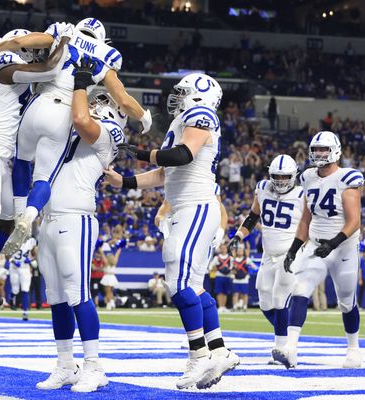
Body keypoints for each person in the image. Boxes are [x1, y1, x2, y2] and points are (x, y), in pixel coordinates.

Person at [104, 73, 239, 390]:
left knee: (177, 284)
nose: (175, 97)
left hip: (195, 208)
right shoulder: (185, 120)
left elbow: (183, 155)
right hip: (188, 208)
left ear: (197, 95)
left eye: (182, 91)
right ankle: (219, 351)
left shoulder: (200, 114)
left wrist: (139, 152)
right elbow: (166, 173)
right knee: (194, 287)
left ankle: (198, 356)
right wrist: (124, 182)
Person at [0, 19, 152, 256]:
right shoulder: (106, 55)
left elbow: (20, 42)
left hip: (39, 103)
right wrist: (145, 117)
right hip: (63, 114)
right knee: (43, 178)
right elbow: (123, 99)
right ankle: (28, 216)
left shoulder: (64, 31)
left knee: (22, 160)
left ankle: (18, 213)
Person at [34, 60, 129, 392]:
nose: (95, 102)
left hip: (77, 217)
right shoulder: (68, 131)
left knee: (77, 292)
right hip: (49, 218)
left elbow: (81, 118)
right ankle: (65, 364)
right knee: (56, 297)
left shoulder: (109, 134)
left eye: (104, 101)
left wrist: (81, 81)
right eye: (96, 99)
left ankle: (94, 366)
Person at [0, 29, 70, 308]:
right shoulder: (5, 67)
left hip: (0, 155)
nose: (34, 54)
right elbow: (49, 68)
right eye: (30, 49)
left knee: (8, 221)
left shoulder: (12, 72)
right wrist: (65, 40)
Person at [273, 130, 364, 369]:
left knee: (346, 300)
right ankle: (291, 348)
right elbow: (305, 218)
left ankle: (353, 350)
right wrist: (294, 248)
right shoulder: (308, 177)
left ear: (335, 151)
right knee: (300, 289)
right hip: (315, 244)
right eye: (316, 149)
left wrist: (333, 244)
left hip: (343, 246)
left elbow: (354, 221)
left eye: (324, 149)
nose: (319, 154)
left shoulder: (347, 178)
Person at [229, 154, 303, 357]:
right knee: (264, 303)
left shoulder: (302, 194)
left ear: (294, 175)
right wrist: (238, 236)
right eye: (276, 177)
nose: (280, 181)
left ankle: (282, 349)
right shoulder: (262, 188)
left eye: (284, 177)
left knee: (280, 300)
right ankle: (288, 339)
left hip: (290, 255)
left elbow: (309, 225)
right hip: (268, 255)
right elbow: (253, 216)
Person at [9, 238, 36, 320]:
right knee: (15, 290)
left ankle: (25, 312)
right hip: (14, 267)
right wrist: (13, 261)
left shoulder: (32, 241)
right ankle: (11, 299)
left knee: (25, 289)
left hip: (25, 268)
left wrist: (31, 259)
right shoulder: (13, 239)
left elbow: (35, 254)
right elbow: (7, 255)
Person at [230, 243, 257, 311]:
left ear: (243, 251)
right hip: (236, 279)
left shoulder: (247, 259)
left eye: (241, 250)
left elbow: (254, 267)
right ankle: (235, 306)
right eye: (238, 250)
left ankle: (245, 306)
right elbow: (231, 269)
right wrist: (232, 274)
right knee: (235, 293)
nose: (239, 252)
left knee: (245, 293)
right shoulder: (233, 260)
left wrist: (248, 274)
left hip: (244, 279)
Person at [100, 239, 124, 310]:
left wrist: (99, 247)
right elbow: (117, 254)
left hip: (107, 277)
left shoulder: (106, 262)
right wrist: (120, 247)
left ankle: (110, 303)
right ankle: (111, 302)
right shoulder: (114, 262)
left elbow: (102, 254)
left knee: (108, 292)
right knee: (111, 292)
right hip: (112, 277)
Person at [209, 243, 232, 313]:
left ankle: (223, 306)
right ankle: (220, 306)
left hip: (227, 276)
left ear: (227, 249)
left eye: (224, 248)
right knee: (219, 292)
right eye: (222, 248)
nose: (223, 249)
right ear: (220, 249)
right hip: (219, 276)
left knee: (225, 292)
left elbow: (232, 266)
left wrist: (229, 270)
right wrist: (213, 269)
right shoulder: (217, 258)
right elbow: (210, 266)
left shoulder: (230, 258)